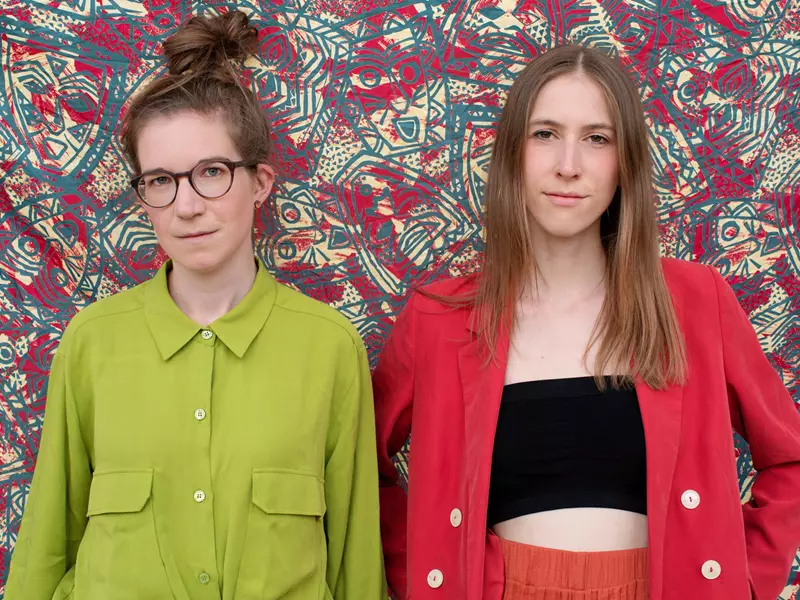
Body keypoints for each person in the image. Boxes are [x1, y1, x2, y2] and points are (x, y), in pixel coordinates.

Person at [373, 44, 800, 600]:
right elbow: (358, 469)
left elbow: (790, 457)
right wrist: (423, 575)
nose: (568, 165)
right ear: (512, 152)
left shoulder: (698, 302)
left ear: (625, 163)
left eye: (597, 138)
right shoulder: (436, 318)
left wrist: (744, 583)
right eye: (545, 133)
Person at [6, 11, 386, 600]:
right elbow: (46, 545)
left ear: (260, 183)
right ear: (143, 196)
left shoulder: (330, 347)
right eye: (161, 180)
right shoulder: (92, 341)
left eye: (212, 172)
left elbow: (356, 561)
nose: (186, 206)